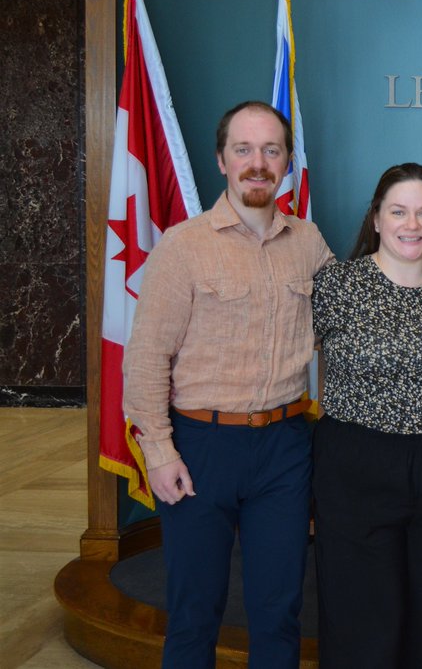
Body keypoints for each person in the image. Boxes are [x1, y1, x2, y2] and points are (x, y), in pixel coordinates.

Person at [123, 101, 334, 668]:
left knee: (279, 608)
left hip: (285, 447)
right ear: (221, 159)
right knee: (194, 611)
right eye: (244, 149)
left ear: (287, 161)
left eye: (271, 150)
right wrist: (159, 452)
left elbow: (358, 312)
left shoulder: (310, 242)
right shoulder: (183, 246)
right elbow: (144, 359)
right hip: (200, 447)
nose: (257, 163)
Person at [310, 163, 422, 668]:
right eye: (398, 211)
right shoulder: (336, 285)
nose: (412, 223)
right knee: (363, 622)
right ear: (376, 218)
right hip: (355, 468)